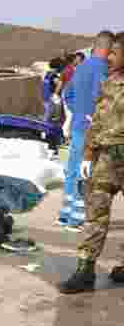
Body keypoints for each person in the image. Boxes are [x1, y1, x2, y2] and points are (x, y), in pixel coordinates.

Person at [59, 32, 124, 293]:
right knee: (95, 214)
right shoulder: (110, 81)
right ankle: (85, 270)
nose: (109, 58)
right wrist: (88, 154)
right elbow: (97, 119)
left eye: (115, 53)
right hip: (106, 159)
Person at [57, 31, 113, 228]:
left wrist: (78, 112)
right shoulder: (102, 69)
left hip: (78, 126)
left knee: (73, 170)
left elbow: (67, 94)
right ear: (109, 48)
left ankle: (66, 214)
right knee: (85, 173)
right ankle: (77, 218)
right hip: (91, 129)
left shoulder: (80, 67)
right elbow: (103, 98)